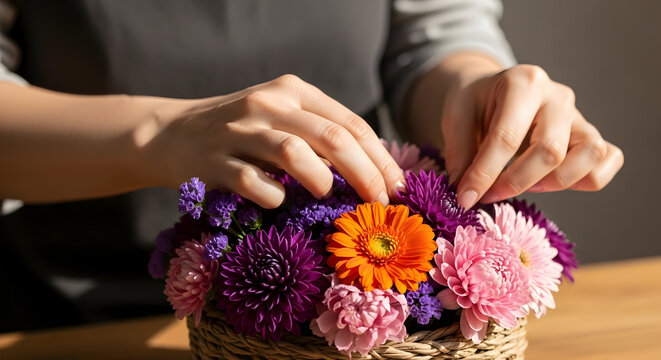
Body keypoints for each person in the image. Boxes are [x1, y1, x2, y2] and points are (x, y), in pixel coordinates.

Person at [0, 0, 622, 331]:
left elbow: (428, 35)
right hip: (58, 320)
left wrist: (473, 89)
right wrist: (159, 133)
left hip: (336, 314)